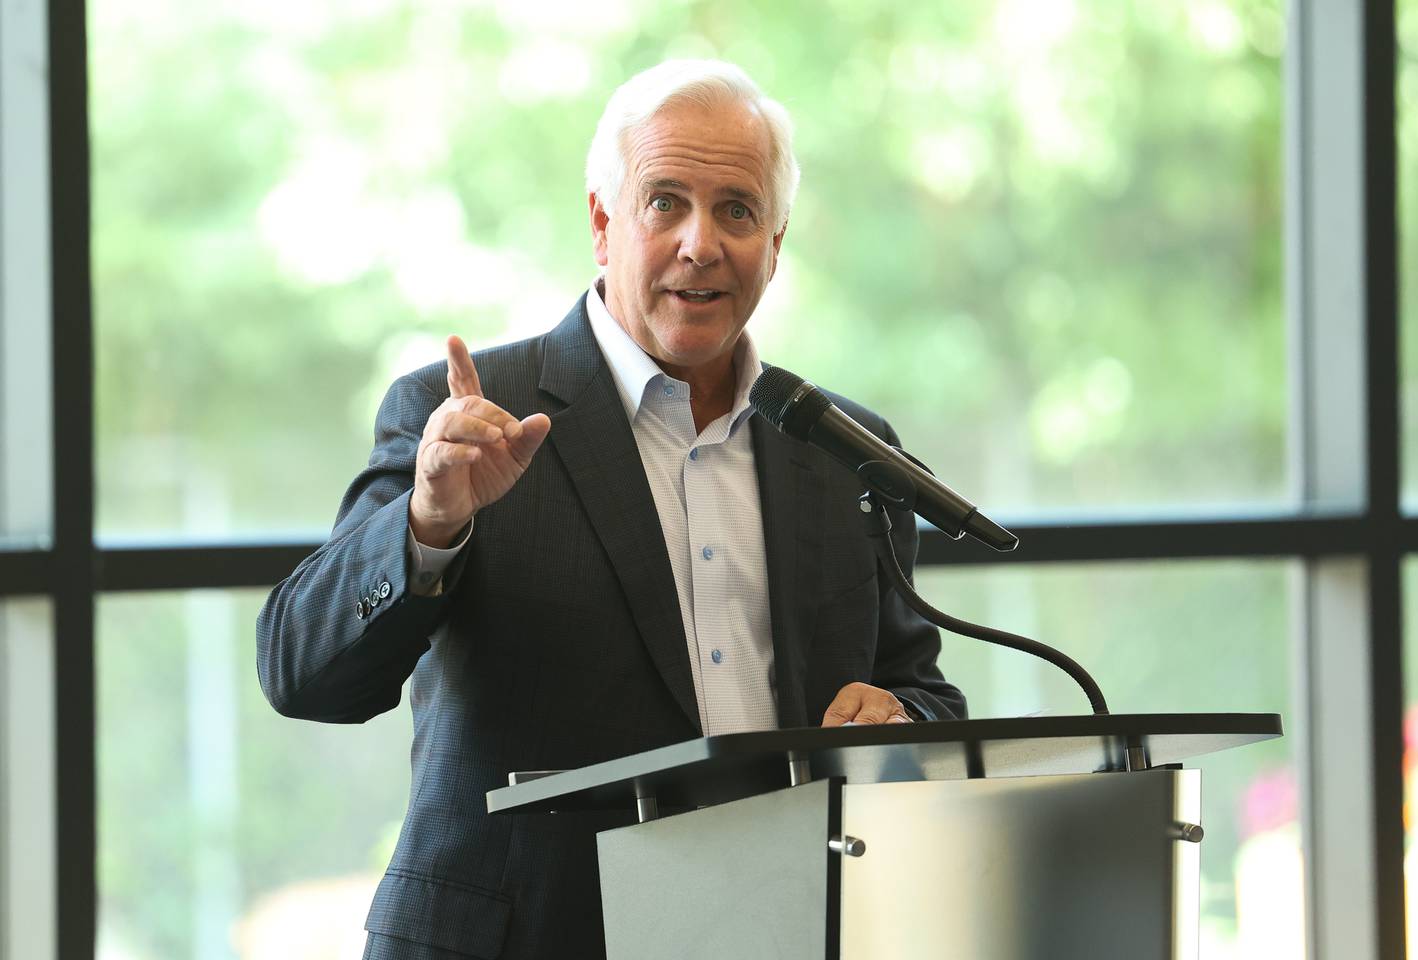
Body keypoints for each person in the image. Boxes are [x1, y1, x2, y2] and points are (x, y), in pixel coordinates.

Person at [257, 59, 965, 960]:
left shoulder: (841, 449)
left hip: (775, 931)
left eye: (737, 211)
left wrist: (899, 721)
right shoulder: (467, 415)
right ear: (603, 223)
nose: (700, 243)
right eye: (664, 201)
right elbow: (302, 675)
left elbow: (922, 692)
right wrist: (427, 524)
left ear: (776, 244)